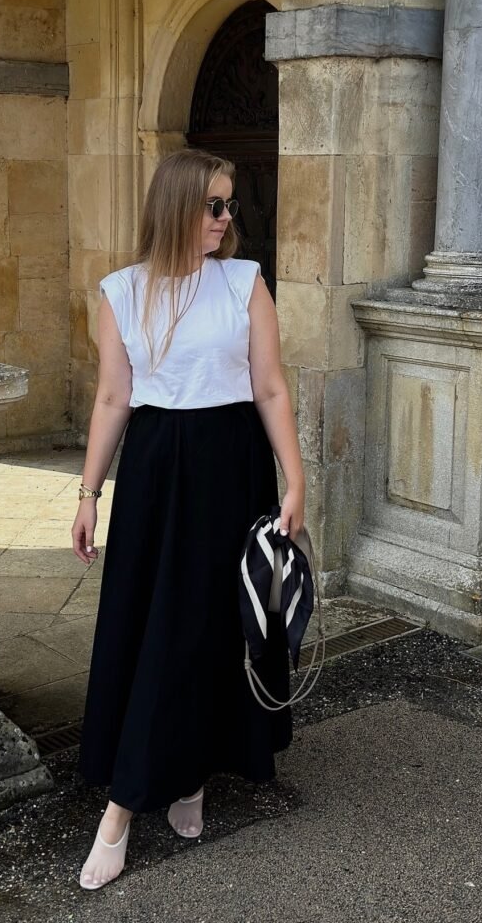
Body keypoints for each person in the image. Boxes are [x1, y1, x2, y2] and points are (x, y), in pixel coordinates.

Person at [71, 148, 306, 890]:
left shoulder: (243, 282)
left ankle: (192, 773)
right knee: (159, 628)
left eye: (230, 205)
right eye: (213, 205)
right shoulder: (122, 290)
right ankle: (122, 806)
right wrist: (88, 493)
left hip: (232, 467)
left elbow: (270, 387)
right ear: (176, 205)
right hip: (156, 471)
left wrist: (296, 480)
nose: (225, 219)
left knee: (216, 625)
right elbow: (113, 397)